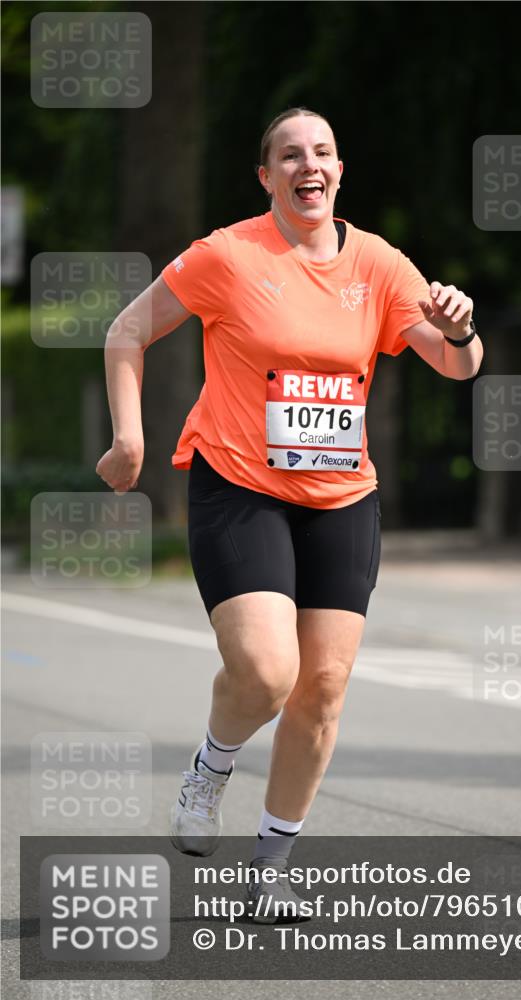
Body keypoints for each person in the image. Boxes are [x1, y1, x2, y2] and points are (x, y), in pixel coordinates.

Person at [96, 107, 483, 923]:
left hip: (341, 496)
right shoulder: (228, 255)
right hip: (238, 486)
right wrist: (129, 438)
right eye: (289, 155)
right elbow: (126, 332)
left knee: (324, 687)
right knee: (268, 675)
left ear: (340, 170)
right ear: (265, 176)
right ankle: (210, 767)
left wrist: (462, 331)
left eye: (323, 152)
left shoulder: (378, 264)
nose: (309, 165)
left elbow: (455, 365)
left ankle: (271, 868)